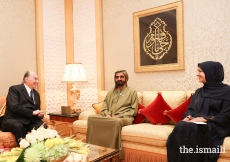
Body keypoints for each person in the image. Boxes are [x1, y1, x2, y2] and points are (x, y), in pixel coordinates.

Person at [167, 61, 230, 162]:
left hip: (216, 124)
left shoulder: (227, 91)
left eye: (200, 71)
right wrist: (188, 116)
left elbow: (227, 115)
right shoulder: (199, 92)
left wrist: (205, 118)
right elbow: (190, 109)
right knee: (181, 125)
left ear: (211, 73)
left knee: (190, 127)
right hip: (197, 122)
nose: (197, 74)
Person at [86, 70, 138, 159]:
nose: (119, 79)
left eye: (121, 77)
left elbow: (134, 110)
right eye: (117, 77)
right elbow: (104, 107)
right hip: (109, 117)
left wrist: (119, 116)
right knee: (91, 118)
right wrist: (107, 115)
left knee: (116, 122)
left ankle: (112, 152)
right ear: (115, 79)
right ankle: (92, 149)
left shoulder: (132, 92)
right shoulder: (110, 93)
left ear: (126, 79)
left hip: (125, 117)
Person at [1, 70, 47, 143]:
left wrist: (40, 115)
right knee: (18, 126)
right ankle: (26, 150)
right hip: (14, 120)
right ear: (26, 79)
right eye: (35, 79)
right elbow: (14, 107)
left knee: (44, 128)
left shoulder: (36, 94)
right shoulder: (14, 89)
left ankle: (44, 149)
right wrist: (32, 112)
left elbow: (36, 110)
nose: (37, 81)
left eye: (38, 79)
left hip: (31, 121)